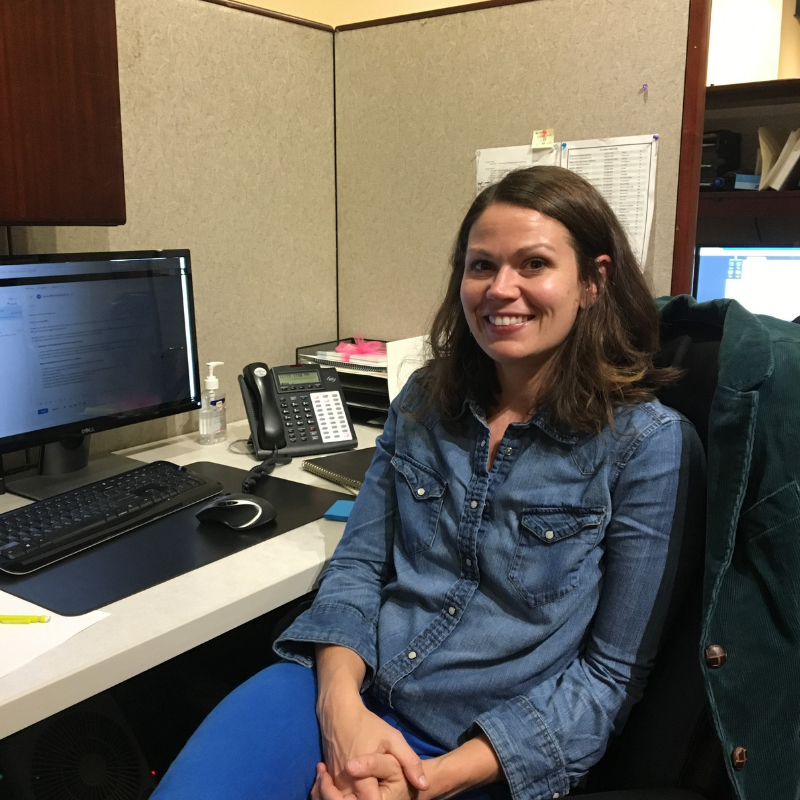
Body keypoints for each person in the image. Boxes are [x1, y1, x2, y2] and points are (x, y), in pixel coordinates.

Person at [152, 166, 701, 800]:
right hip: (344, 684)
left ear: (592, 282)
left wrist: (425, 782)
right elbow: (358, 565)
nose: (501, 289)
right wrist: (339, 712)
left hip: (479, 749)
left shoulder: (647, 446)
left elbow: (608, 678)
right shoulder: (423, 398)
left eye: (533, 265)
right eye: (480, 266)